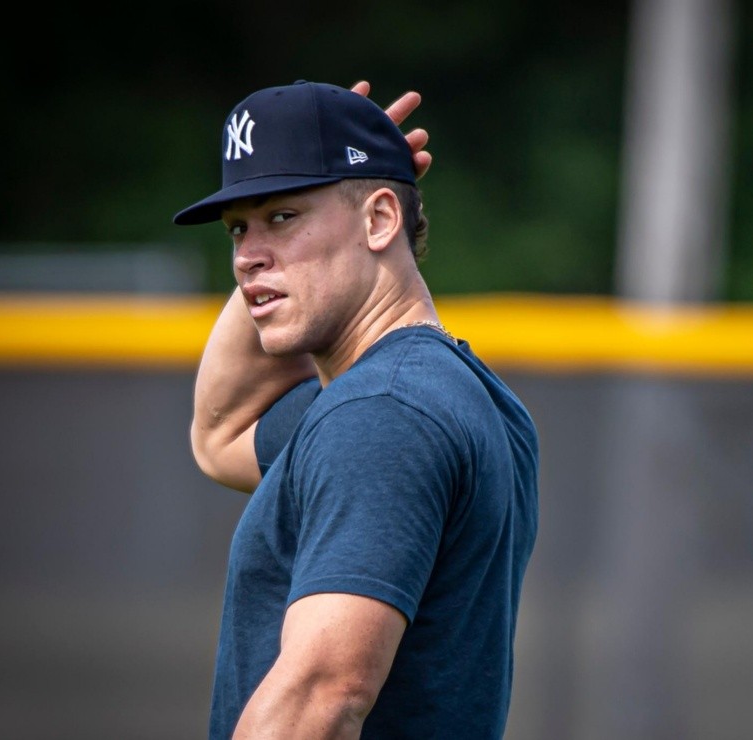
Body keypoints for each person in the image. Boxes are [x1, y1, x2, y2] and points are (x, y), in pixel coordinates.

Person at [174, 79, 540, 739]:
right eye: (237, 229)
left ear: (378, 221)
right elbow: (220, 436)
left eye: (282, 216)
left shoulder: (381, 413)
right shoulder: (457, 393)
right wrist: (278, 264)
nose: (247, 259)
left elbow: (323, 695)